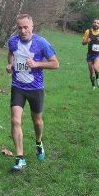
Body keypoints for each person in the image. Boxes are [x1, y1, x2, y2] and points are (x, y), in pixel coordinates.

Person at [6, 14, 59, 172]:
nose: (23, 31)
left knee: (37, 121)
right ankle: (20, 158)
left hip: (36, 88)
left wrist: (36, 64)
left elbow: (55, 64)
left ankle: (38, 142)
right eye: (19, 28)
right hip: (18, 87)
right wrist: (10, 65)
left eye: (25, 27)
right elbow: (11, 54)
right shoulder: (12, 41)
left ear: (32, 27)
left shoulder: (41, 43)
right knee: (15, 120)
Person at [81, 18, 99, 89]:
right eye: (94, 22)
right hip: (90, 54)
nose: (96, 24)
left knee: (95, 67)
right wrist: (87, 41)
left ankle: (98, 79)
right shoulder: (88, 32)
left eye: (97, 23)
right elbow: (83, 43)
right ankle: (93, 86)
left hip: (98, 54)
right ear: (93, 23)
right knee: (91, 73)